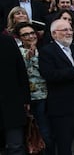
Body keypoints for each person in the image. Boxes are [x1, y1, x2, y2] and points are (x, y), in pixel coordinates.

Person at [38, 19, 74, 155]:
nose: (69, 33)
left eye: (70, 29)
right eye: (65, 30)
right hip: (61, 106)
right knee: (64, 145)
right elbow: (50, 75)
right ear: (54, 33)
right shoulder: (46, 51)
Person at [15, 22, 54, 155]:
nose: (30, 36)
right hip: (29, 99)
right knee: (35, 134)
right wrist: (30, 58)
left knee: (47, 133)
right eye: (25, 34)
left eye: (32, 33)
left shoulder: (44, 50)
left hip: (47, 95)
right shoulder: (17, 52)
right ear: (19, 37)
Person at [0, 25, 30, 155]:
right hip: (12, 104)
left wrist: (26, 99)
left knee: (16, 146)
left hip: (11, 104)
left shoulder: (7, 41)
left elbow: (21, 71)